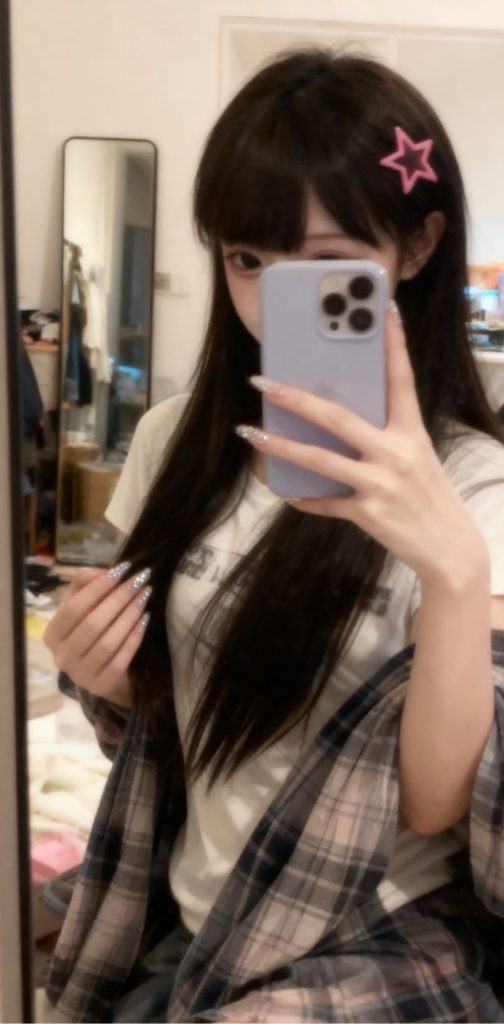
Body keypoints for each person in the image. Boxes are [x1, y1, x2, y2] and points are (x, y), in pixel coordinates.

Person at [42, 49, 504, 1022]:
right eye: (248, 259)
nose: (273, 297)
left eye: (329, 263)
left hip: (364, 938)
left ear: (417, 246)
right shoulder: (173, 440)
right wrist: (104, 672)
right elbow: (165, 709)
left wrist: (456, 570)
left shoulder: (475, 484)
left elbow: (436, 806)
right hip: (190, 911)